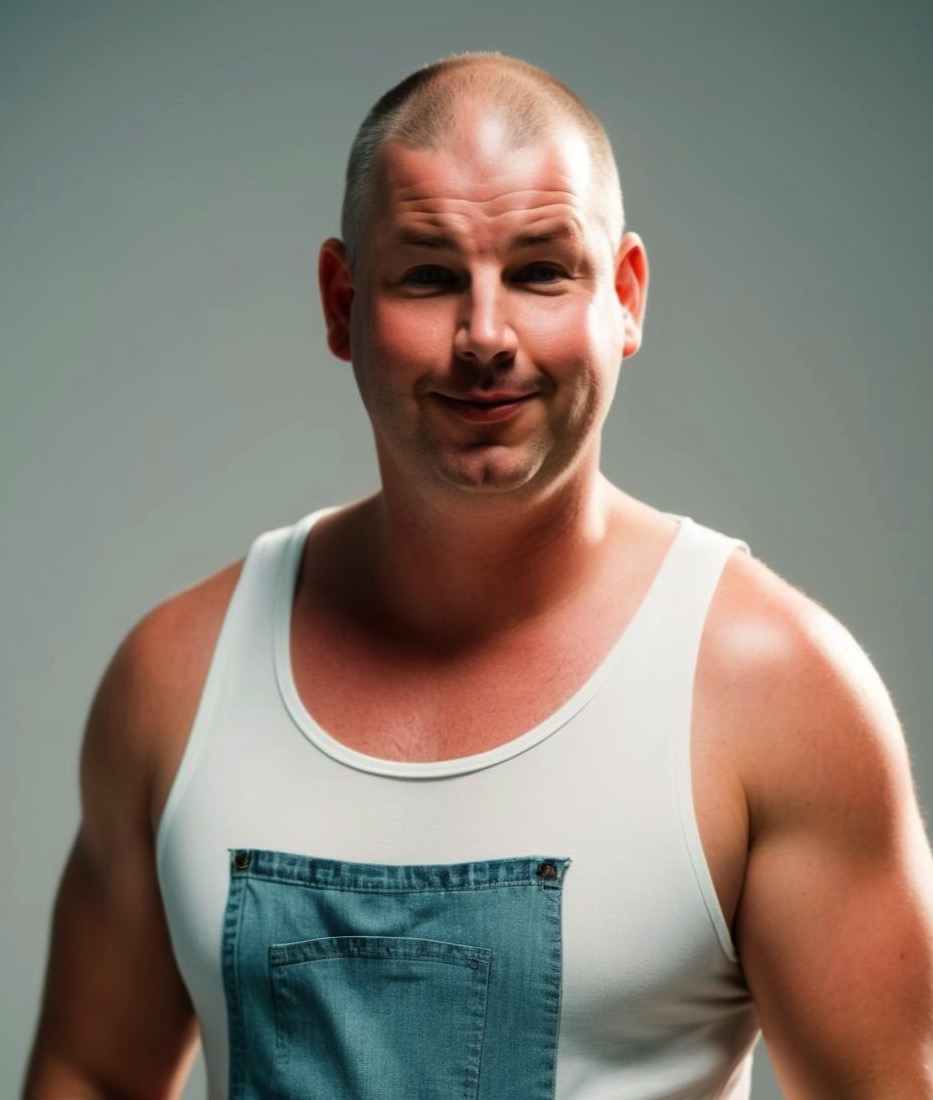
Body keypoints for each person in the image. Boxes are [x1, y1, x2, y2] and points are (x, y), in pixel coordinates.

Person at [23, 52, 933, 1100]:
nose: (486, 336)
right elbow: (89, 1072)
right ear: (341, 302)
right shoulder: (177, 678)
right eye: (428, 275)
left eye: (541, 271)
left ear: (623, 296)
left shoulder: (775, 695)